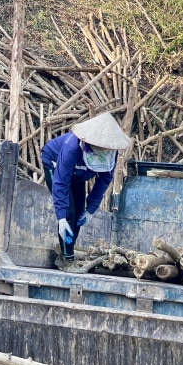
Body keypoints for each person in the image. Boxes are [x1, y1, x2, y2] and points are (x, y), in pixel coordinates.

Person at [40, 112, 131, 269]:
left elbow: (104, 180)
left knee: (79, 212)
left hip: (78, 174)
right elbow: (61, 183)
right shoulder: (72, 147)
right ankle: (67, 260)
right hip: (56, 163)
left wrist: (90, 209)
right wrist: (61, 218)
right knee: (69, 213)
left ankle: (64, 253)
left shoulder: (111, 153)